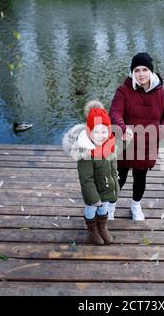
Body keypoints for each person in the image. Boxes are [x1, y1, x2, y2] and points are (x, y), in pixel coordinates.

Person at [108, 52, 164, 221]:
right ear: (132, 73)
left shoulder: (162, 93)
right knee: (119, 177)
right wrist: (122, 128)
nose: (141, 74)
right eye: (137, 70)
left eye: (145, 69)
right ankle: (111, 206)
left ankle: (135, 206)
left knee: (140, 177)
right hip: (125, 143)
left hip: (148, 143)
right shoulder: (123, 90)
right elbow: (115, 112)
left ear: (151, 71)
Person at [62, 100, 119, 245]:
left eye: (104, 131)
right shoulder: (86, 153)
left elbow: (113, 167)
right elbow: (86, 179)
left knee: (104, 207)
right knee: (91, 209)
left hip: (106, 187)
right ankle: (92, 229)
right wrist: (93, 197)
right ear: (89, 132)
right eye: (97, 132)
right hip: (93, 193)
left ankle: (102, 227)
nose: (101, 135)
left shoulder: (109, 145)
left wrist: (114, 185)